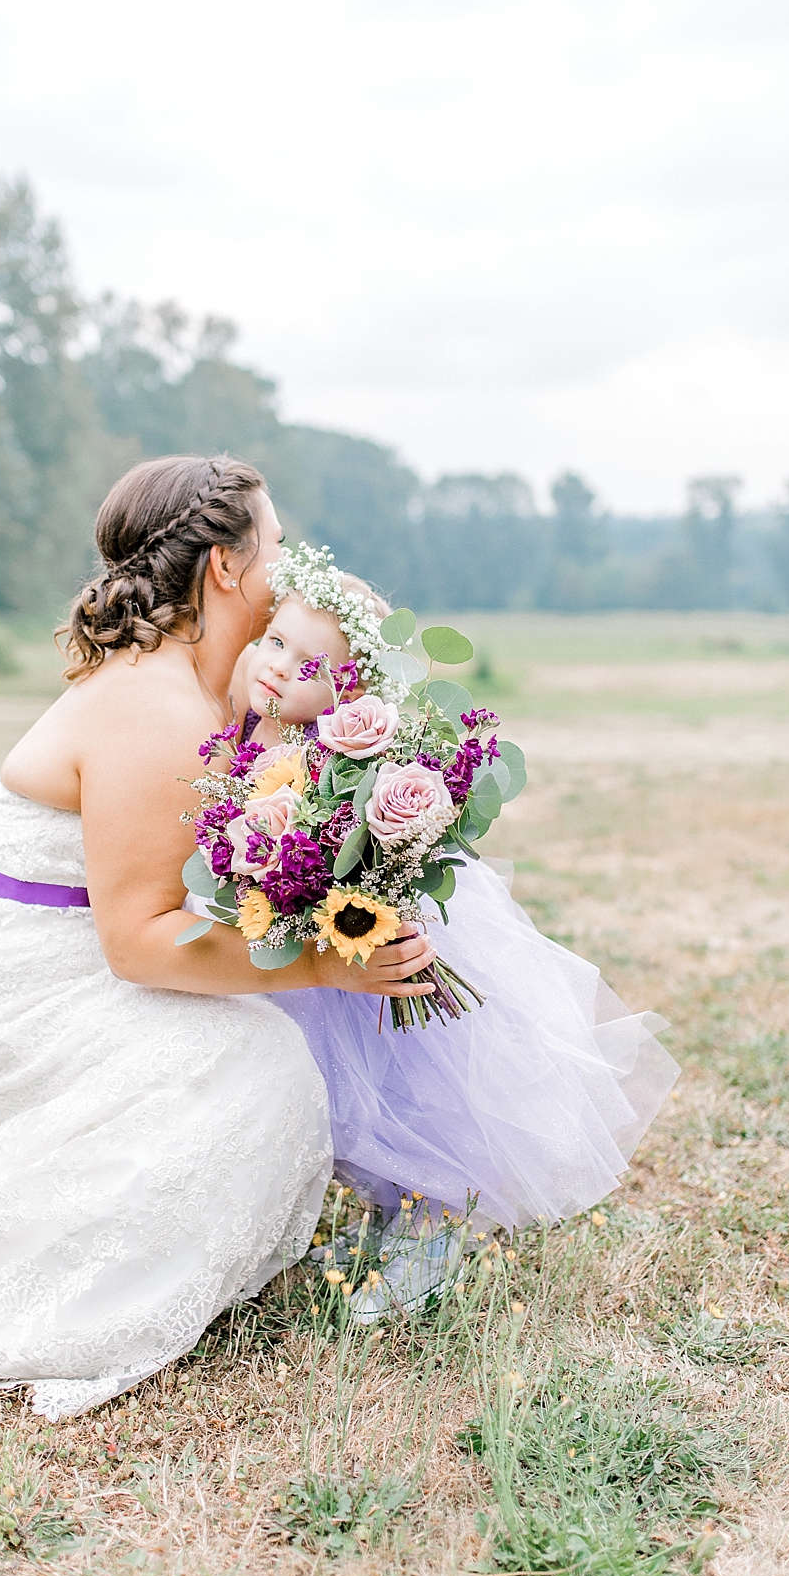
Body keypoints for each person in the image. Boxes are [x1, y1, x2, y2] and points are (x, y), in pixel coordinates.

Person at [0, 457, 435, 1418]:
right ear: (227, 567)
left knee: (254, 1044)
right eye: (275, 542)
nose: (289, 564)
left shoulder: (193, 687)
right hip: (11, 994)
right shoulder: (156, 705)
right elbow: (141, 943)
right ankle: (75, 1274)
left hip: (30, 961)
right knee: (259, 1069)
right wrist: (325, 963)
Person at [225, 547, 680, 1321]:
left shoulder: (333, 755)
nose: (279, 667)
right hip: (316, 955)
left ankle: (440, 1218)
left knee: (414, 1078)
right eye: (274, 642)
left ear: (349, 692)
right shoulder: (243, 732)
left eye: (310, 665)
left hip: (389, 938)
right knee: (341, 1088)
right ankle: (395, 1211)